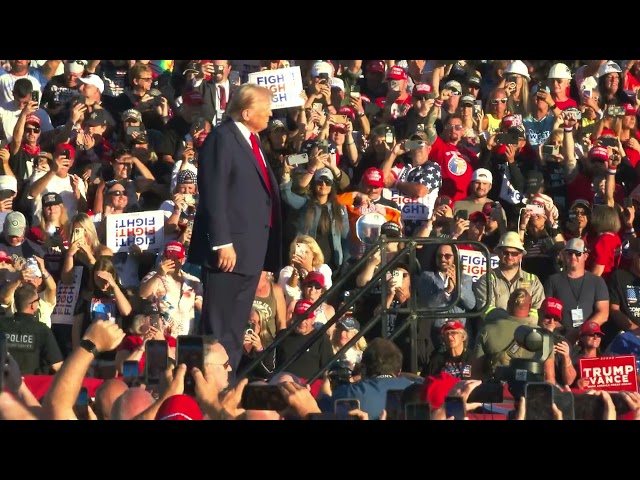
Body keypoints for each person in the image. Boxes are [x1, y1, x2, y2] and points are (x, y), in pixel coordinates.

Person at [188, 83, 283, 377]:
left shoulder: (253, 142)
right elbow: (213, 193)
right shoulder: (223, 138)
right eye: (265, 108)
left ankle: (226, 384)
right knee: (217, 328)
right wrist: (221, 242)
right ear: (246, 112)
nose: (270, 113)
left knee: (234, 328)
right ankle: (205, 386)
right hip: (228, 252)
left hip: (250, 253)